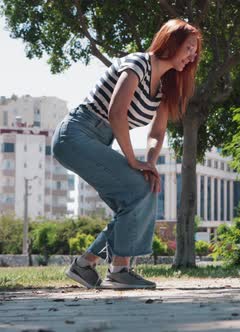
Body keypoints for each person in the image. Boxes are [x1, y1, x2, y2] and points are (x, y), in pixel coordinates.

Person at [52, 19, 202, 289]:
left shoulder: (166, 87)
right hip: (76, 134)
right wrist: (133, 160)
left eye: (195, 51)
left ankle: (85, 265)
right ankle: (119, 270)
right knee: (137, 190)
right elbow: (116, 112)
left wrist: (151, 164)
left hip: (99, 140)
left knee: (137, 197)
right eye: (189, 48)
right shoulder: (138, 63)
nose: (192, 56)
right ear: (171, 42)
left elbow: (157, 132)